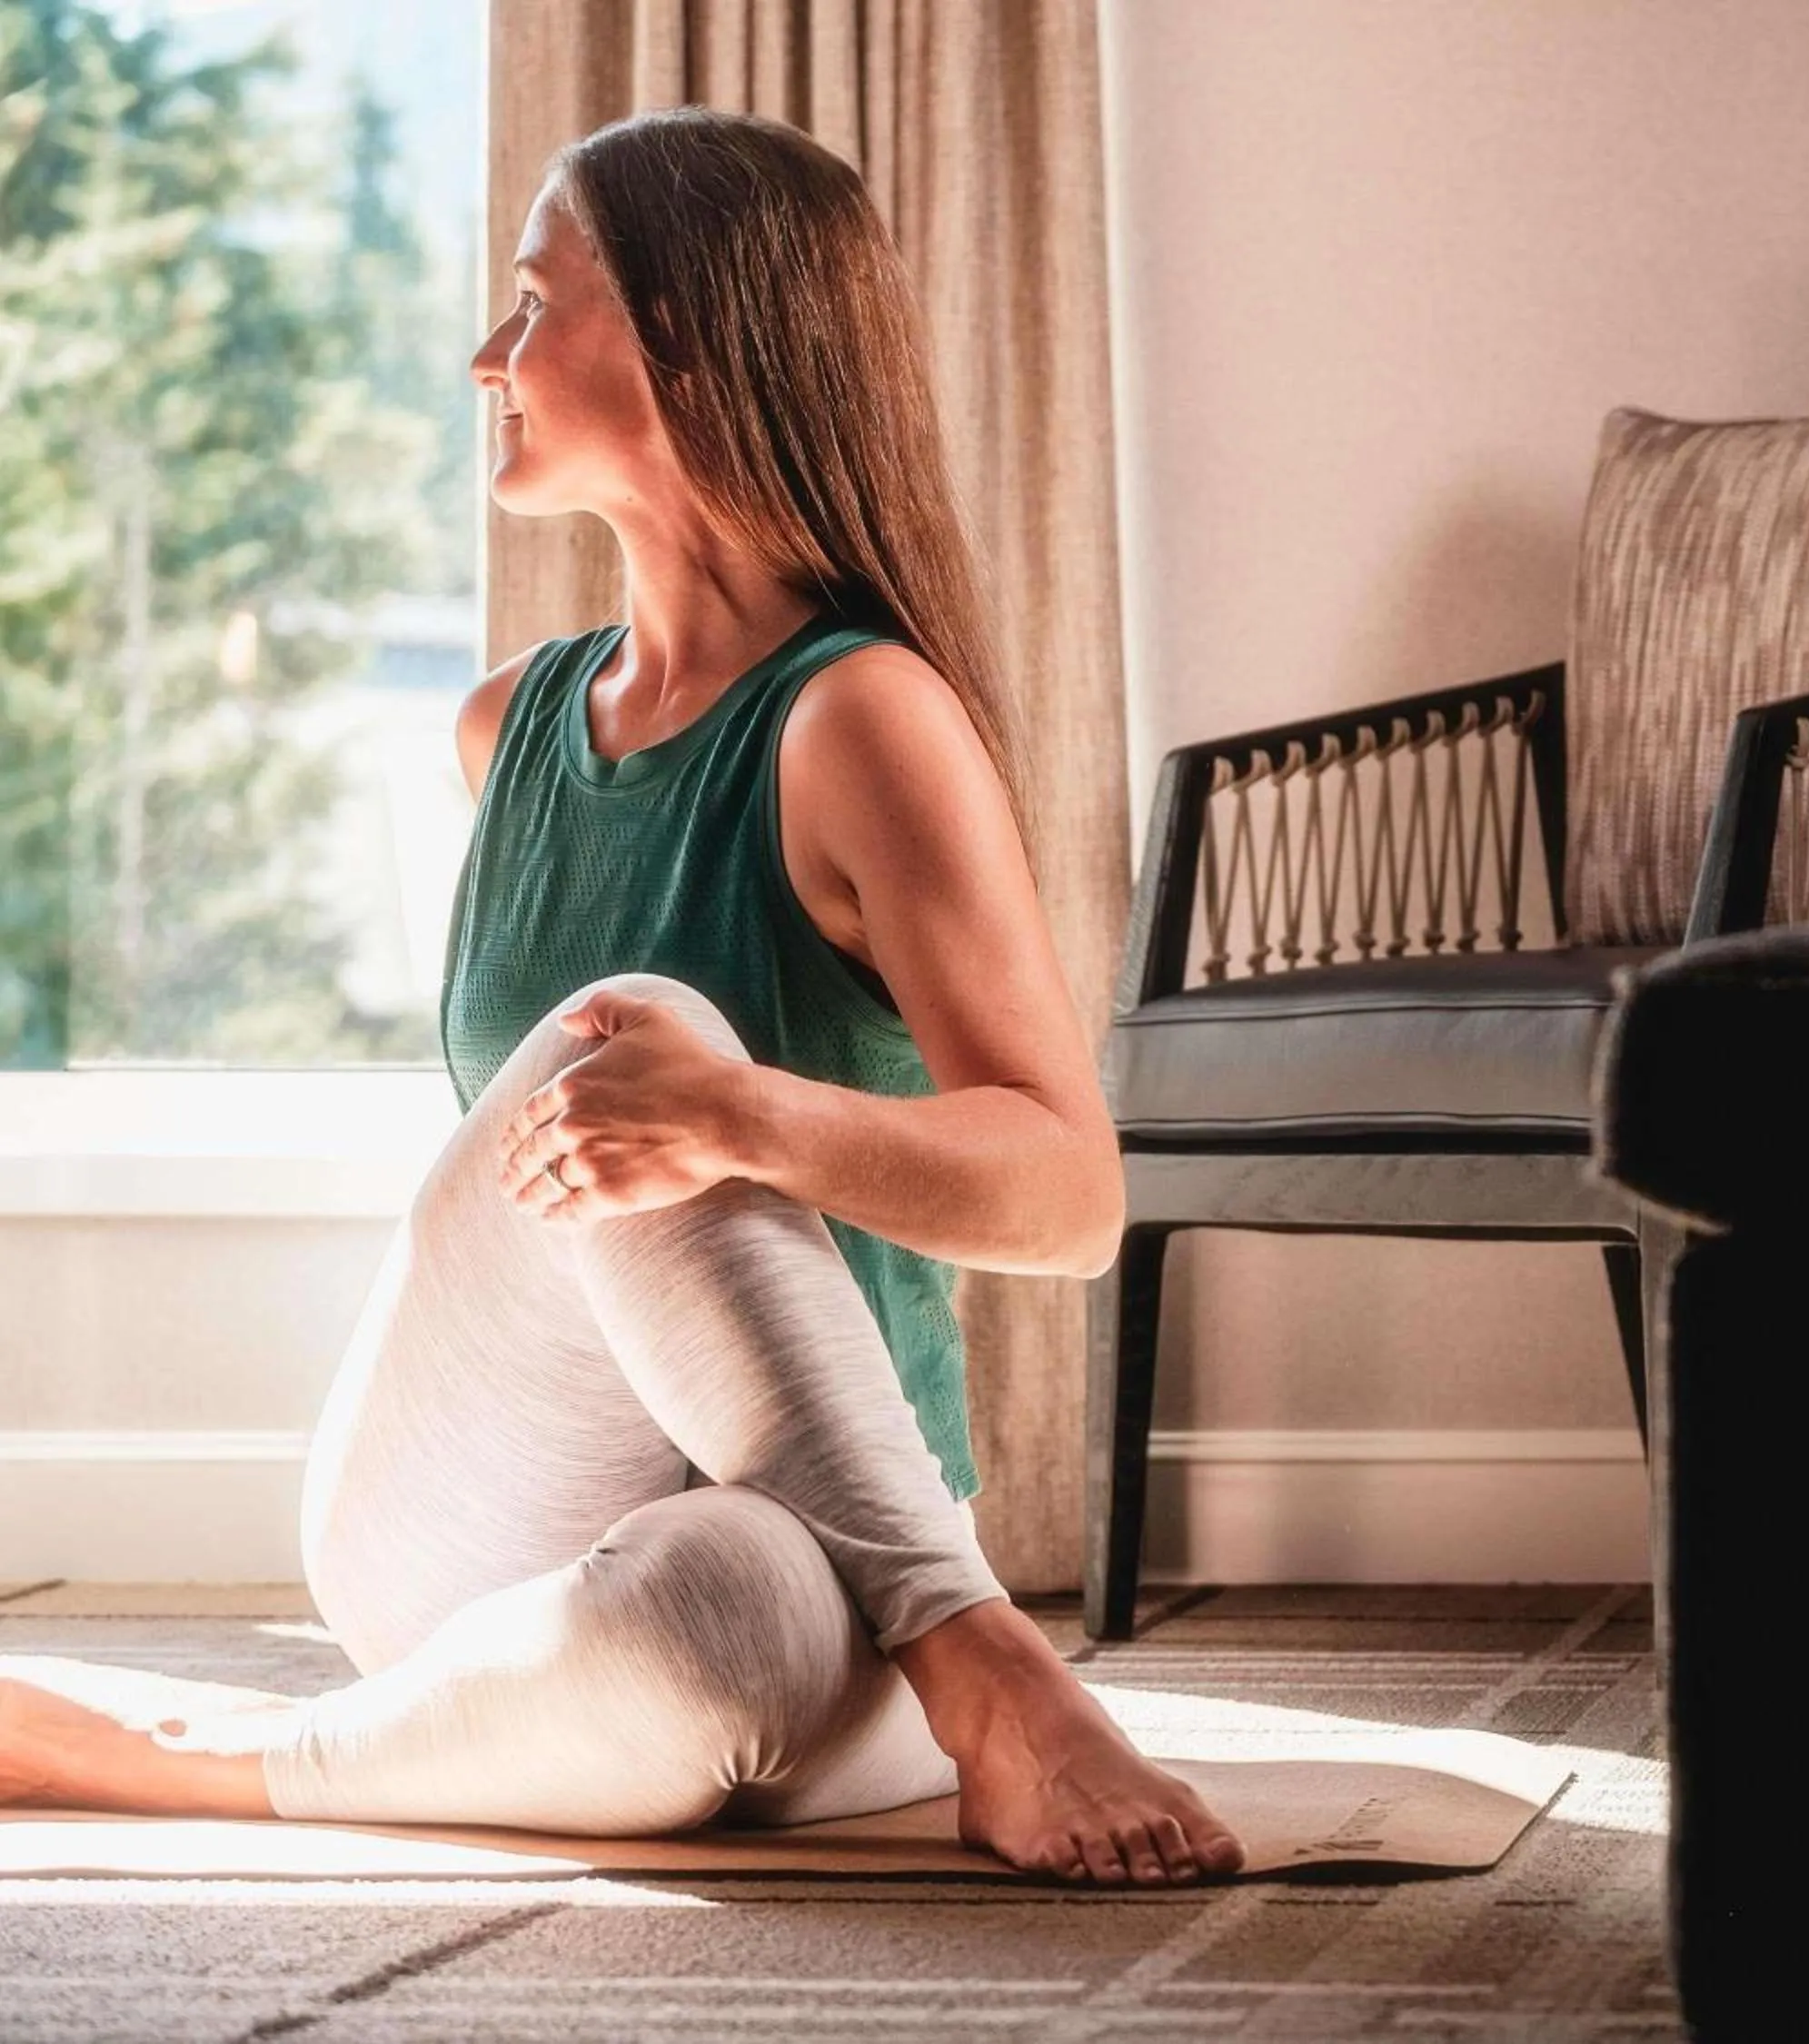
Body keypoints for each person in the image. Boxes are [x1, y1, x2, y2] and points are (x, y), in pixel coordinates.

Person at [0, 105, 1244, 1889]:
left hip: (822, 1547)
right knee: (628, 1036)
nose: (486, 356)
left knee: (715, 1623)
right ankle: (987, 1663)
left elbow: (1070, 1196)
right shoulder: (502, 728)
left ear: (685, 334)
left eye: (531, 301)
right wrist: (692, 1100)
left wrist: (748, 1118)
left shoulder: (859, 718)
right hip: (470, 1504)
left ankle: (209, 1757)